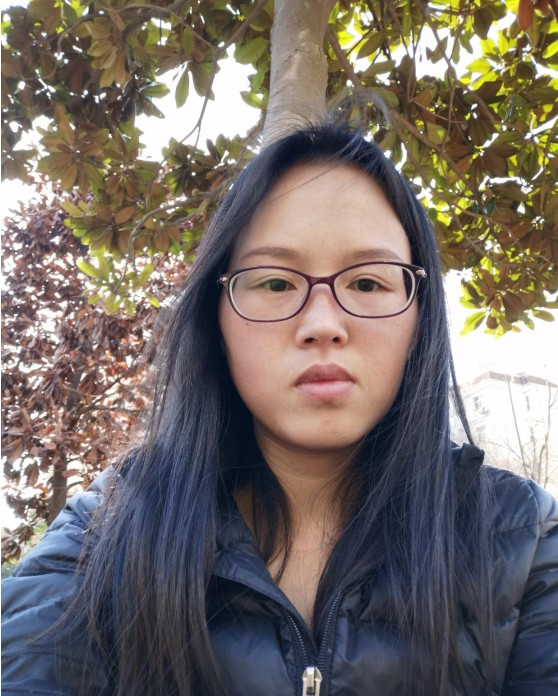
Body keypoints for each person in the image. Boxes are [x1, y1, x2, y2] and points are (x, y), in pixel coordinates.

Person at [2, 124, 557, 696]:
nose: (323, 324)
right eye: (274, 283)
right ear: (216, 321)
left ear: (420, 323)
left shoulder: (524, 539)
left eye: (368, 283)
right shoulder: (107, 531)